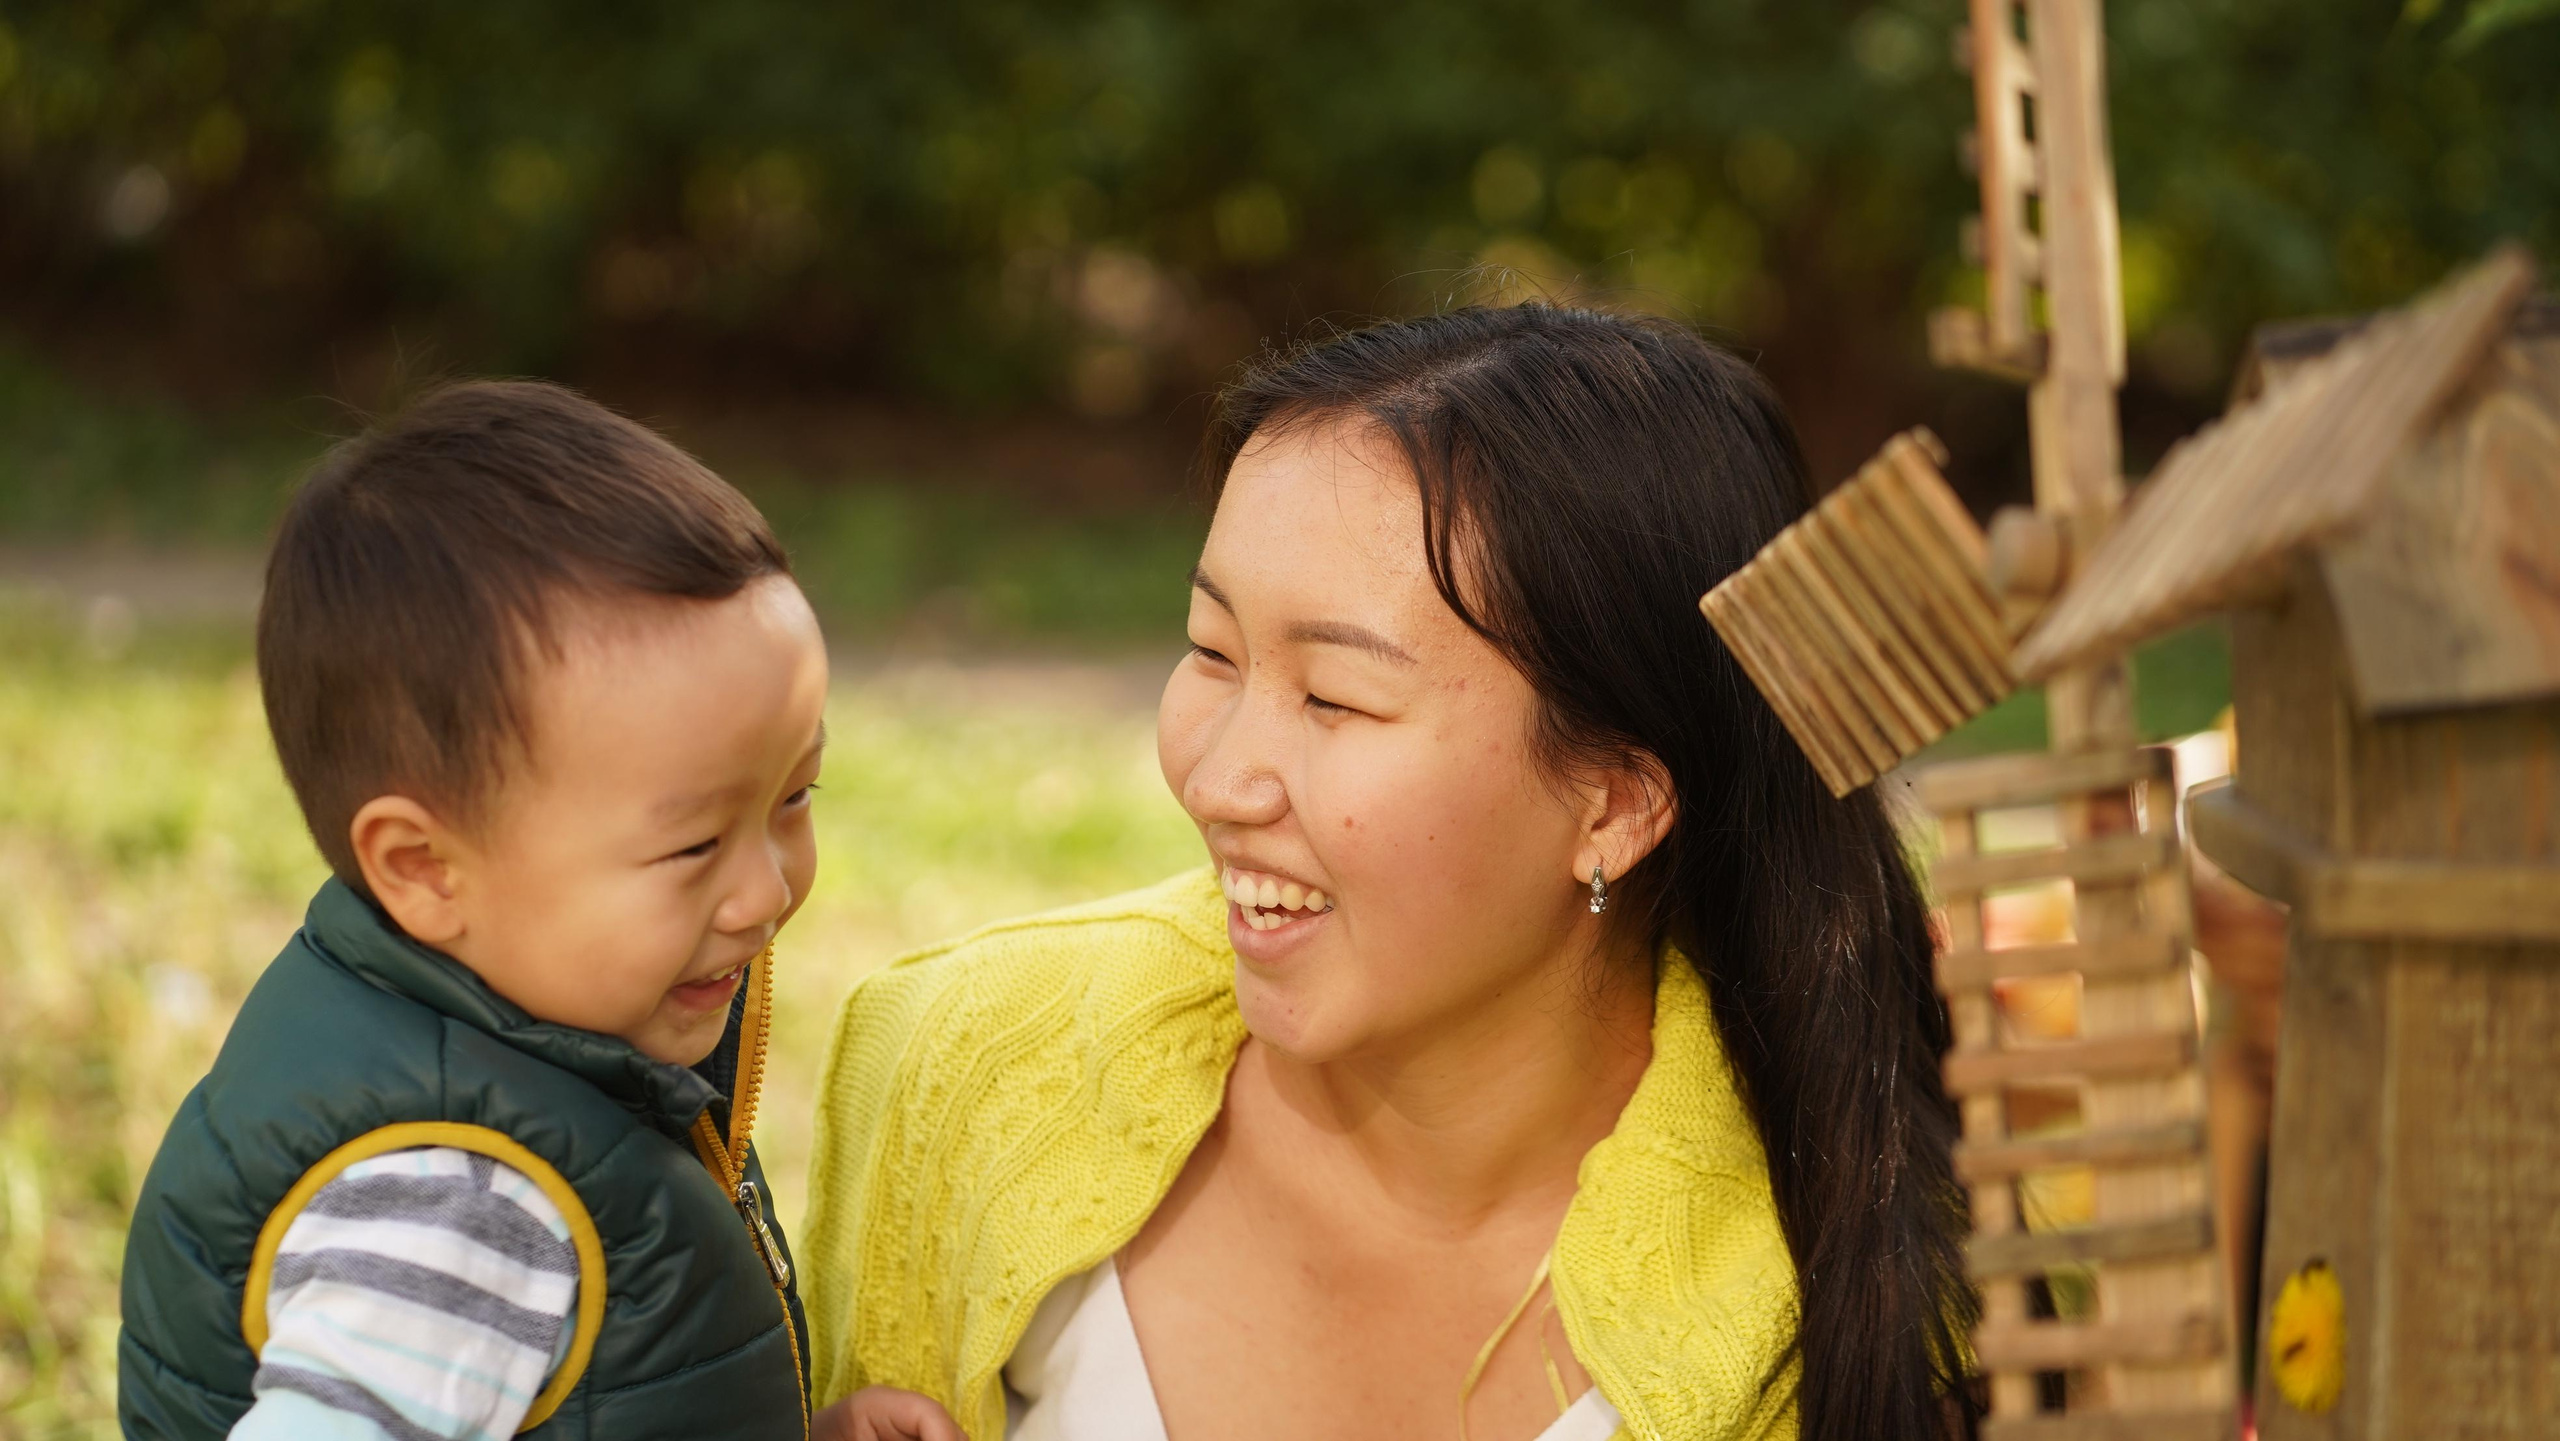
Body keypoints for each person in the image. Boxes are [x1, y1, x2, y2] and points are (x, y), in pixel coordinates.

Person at [801, 305, 1979, 1441]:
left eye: (1334, 698)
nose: (1218, 780)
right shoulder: (962, 1067)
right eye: (1211, 650)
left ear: (1615, 803)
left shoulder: (1868, 1275)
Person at [118, 381, 958, 1441]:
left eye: (794, 796)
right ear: (424, 868)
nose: (766, 891)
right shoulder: (454, 1209)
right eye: (693, 844)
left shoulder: (528, 1064)